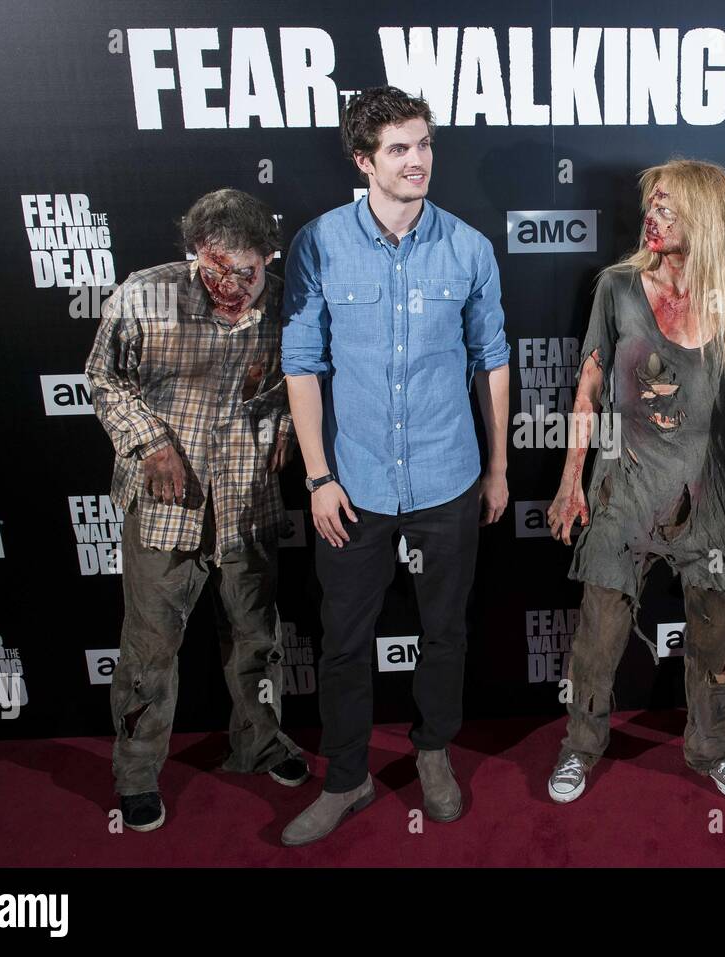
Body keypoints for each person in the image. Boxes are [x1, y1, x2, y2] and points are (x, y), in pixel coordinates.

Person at [279, 86, 510, 846]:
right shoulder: (318, 243)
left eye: (424, 145)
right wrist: (318, 477)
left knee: (445, 630)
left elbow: (493, 360)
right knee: (343, 640)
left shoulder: (469, 248)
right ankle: (345, 776)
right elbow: (303, 364)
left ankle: (434, 749)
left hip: (449, 474)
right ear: (364, 161)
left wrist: (499, 466)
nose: (417, 162)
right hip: (355, 482)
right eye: (399, 150)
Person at [546, 159, 725, 805]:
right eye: (651, 205)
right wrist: (570, 480)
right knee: (598, 638)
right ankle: (579, 747)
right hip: (621, 490)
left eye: (669, 208)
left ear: (706, 219)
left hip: (704, 495)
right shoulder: (617, 288)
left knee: (717, 636)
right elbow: (588, 389)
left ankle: (712, 751)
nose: (653, 218)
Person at [86, 188, 309, 833]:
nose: (231, 285)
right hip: (165, 504)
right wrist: (149, 441)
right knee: (150, 647)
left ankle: (259, 744)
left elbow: (305, 375)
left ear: (269, 255)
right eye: (214, 268)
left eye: (246, 271)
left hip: (248, 500)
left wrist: (292, 427)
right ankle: (134, 773)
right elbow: (104, 377)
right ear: (192, 255)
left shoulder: (291, 300)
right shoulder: (143, 295)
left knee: (256, 640)